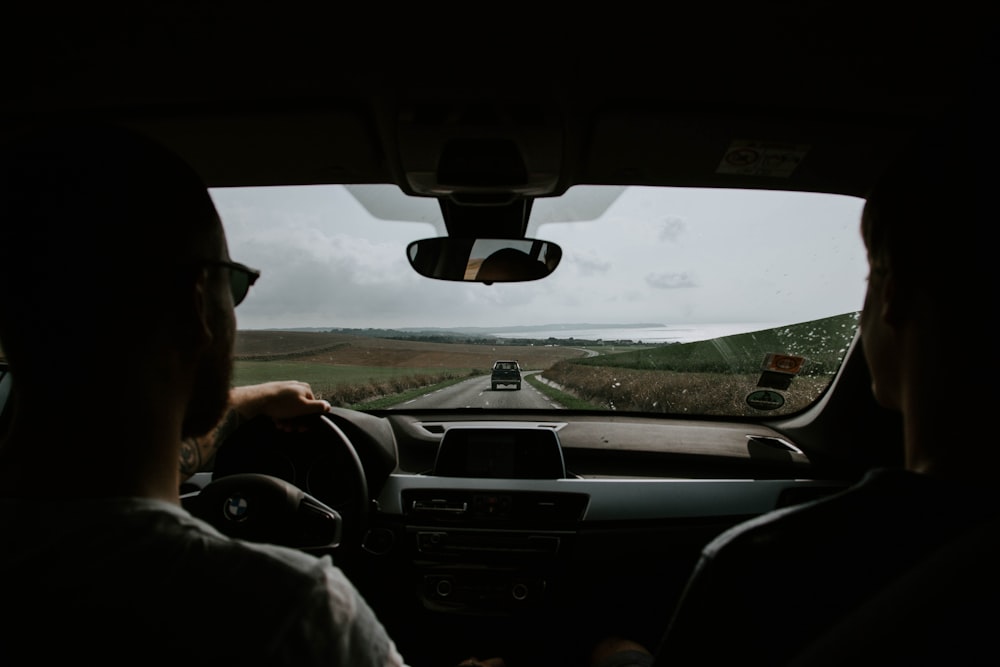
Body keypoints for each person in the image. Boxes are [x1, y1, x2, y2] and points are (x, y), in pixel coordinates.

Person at [586, 99, 997, 666]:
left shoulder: (770, 565)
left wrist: (620, 656)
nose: (860, 313)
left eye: (868, 278)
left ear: (894, 294)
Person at [0, 124, 408, 665]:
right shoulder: (294, 614)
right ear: (197, 307)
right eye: (234, 284)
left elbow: (135, 452)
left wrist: (254, 400)